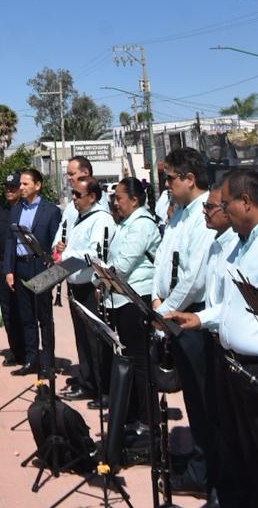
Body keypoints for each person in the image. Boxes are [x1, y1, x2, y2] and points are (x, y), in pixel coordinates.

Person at [167, 168, 258, 508]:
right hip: (236, 364)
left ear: (246, 202)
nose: (221, 210)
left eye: (225, 204)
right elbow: (229, 304)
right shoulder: (244, 244)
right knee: (245, 456)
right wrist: (200, 317)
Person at [151, 146, 216, 498]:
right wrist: (156, 299)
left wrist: (166, 310)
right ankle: (198, 466)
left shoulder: (203, 216)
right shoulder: (178, 213)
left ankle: (205, 474)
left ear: (190, 179)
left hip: (193, 317)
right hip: (172, 312)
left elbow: (194, 278)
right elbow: (164, 258)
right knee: (192, 398)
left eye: (170, 178)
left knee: (205, 403)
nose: (166, 185)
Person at [100, 177, 161, 430]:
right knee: (128, 358)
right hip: (120, 298)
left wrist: (99, 277)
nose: (115, 202)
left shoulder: (142, 225)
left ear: (135, 200)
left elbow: (122, 265)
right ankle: (133, 412)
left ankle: (148, 419)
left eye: (119, 197)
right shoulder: (126, 223)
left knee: (139, 361)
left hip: (136, 298)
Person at [5, 168, 61, 377]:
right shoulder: (16, 210)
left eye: (25, 184)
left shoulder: (51, 211)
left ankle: (47, 364)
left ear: (37, 186)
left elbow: (56, 244)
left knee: (44, 318)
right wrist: (9, 269)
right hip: (21, 267)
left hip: (41, 267)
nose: (21, 187)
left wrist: (54, 270)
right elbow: (11, 241)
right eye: (20, 184)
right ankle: (31, 360)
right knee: (26, 317)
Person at [60, 176, 112, 401]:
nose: (73, 199)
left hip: (91, 288)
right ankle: (88, 382)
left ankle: (103, 389)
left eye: (78, 195)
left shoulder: (101, 219)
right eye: (72, 194)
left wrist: (68, 256)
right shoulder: (81, 218)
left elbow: (96, 254)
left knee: (95, 341)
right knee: (82, 339)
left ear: (92, 197)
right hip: (75, 286)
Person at [0, 172, 25, 366]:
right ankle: (15, 351)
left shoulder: (24, 209)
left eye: (13, 187)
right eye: (7, 187)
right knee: (7, 311)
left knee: (24, 311)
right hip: (3, 265)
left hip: (21, 266)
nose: (9, 191)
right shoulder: (1, 211)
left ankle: (29, 351)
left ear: (20, 188)